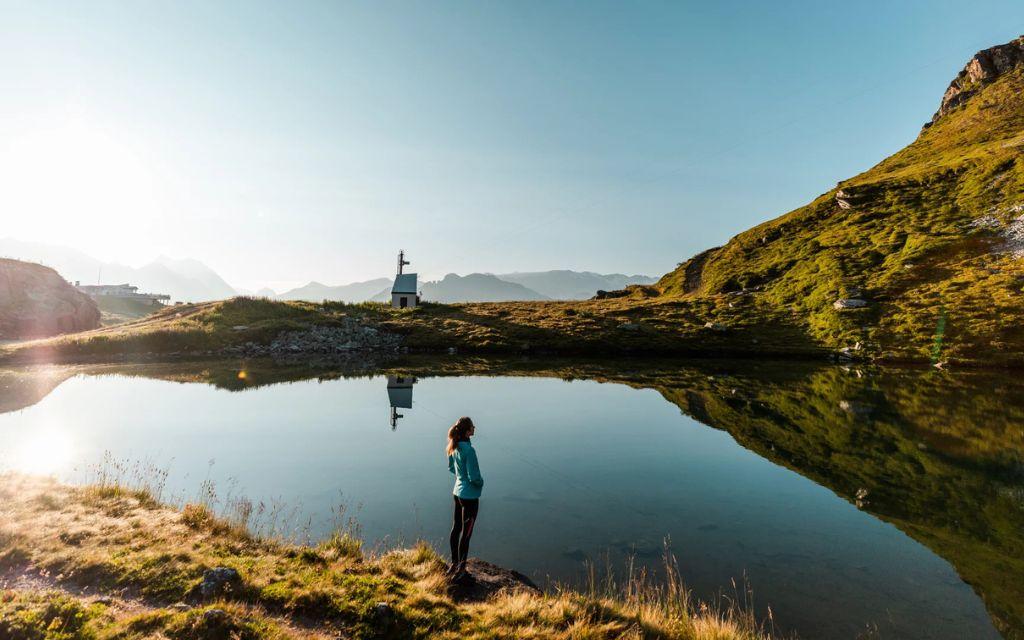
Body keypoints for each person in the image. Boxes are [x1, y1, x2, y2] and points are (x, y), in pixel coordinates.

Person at [446, 416, 483, 577]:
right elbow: (474, 476)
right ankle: (461, 569)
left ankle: (454, 563)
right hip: (469, 497)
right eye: (472, 427)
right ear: (468, 432)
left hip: (457, 493)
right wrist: (480, 483)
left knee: (456, 529)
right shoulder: (469, 450)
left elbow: (451, 469)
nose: (474, 428)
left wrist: (461, 479)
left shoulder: (453, 447)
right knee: (466, 535)